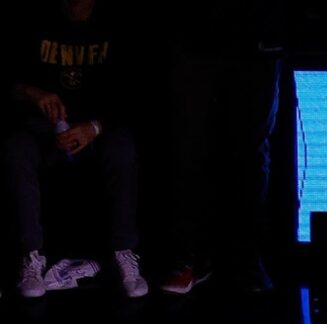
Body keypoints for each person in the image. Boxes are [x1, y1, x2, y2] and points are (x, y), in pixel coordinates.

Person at [7, 0, 144, 299]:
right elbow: (11, 84)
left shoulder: (117, 23)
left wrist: (94, 127)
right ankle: (31, 258)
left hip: (96, 128)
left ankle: (124, 252)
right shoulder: (34, 19)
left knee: (122, 147)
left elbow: (133, 96)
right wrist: (34, 93)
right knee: (19, 149)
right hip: (47, 129)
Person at [156, 1, 287, 295]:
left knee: (251, 153)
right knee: (188, 148)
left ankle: (246, 258)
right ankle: (189, 256)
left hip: (258, 39)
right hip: (195, 34)